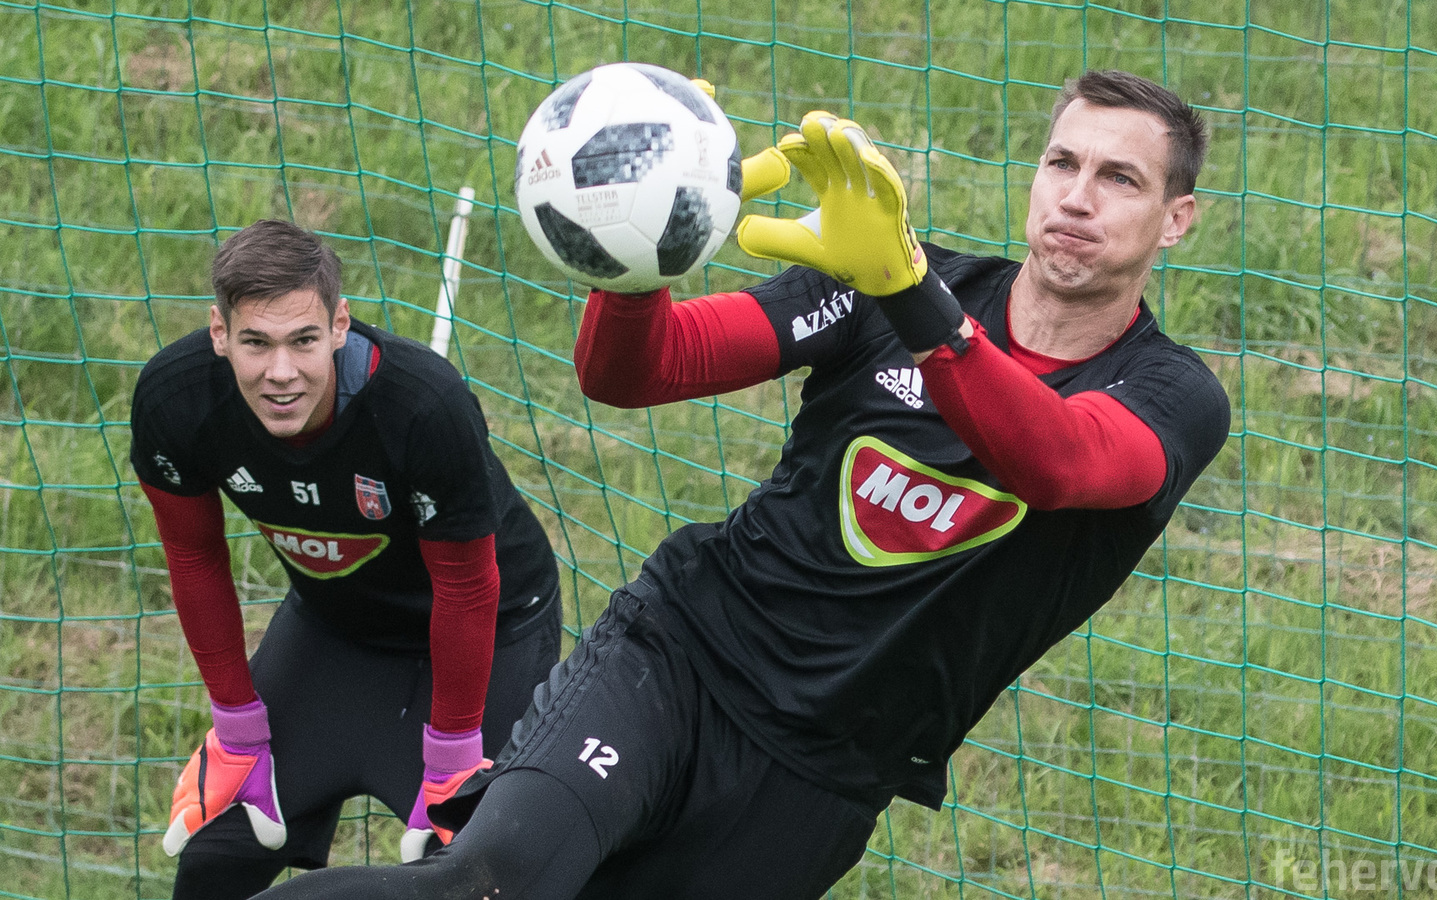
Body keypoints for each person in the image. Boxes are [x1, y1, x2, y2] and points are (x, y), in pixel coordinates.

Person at [252, 68, 1231, 899]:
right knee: (489, 880)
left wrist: (911, 296)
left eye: (1120, 179)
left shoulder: (1170, 395)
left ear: (1175, 219)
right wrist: (640, 246)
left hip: (825, 772)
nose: (1077, 197)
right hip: (679, 658)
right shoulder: (878, 283)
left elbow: (1055, 462)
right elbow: (639, 372)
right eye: (1062, 163)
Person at [129, 219, 564, 899]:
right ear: (219, 333)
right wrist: (237, 728)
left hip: (491, 631)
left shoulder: (422, 405)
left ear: (339, 326)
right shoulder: (175, 399)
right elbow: (192, 555)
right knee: (216, 853)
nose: (281, 373)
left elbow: (467, 586)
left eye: (303, 340)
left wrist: (453, 754)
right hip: (335, 625)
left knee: (476, 879)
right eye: (255, 342)